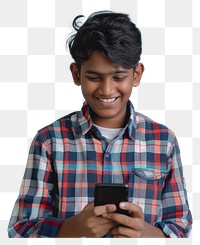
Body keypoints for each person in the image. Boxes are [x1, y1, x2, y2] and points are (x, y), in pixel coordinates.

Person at [8, 11, 192, 238]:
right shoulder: (49, 141)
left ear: (137, 74)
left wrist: (144, 232)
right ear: (76, 74)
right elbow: (20, 230)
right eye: (94, 77)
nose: (106, 90)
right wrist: (73, 229)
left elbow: (180, 228)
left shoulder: (164, 141)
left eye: (118, 77)